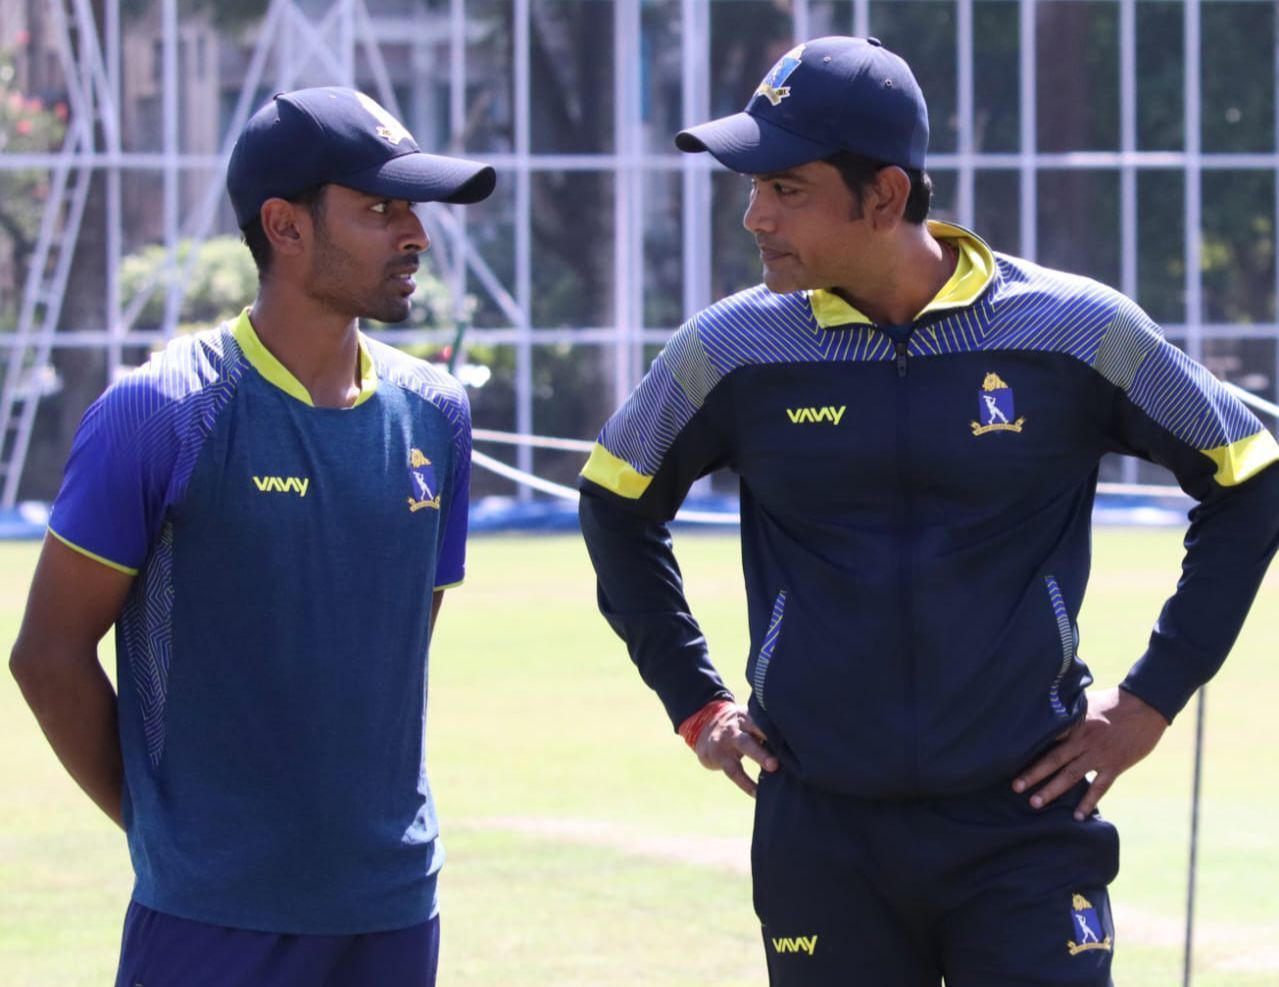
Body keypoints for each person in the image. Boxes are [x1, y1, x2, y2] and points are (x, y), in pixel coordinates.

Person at [577, 36, 1279, 987]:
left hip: (1026, 826)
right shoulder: (729, 349)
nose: (753, 217)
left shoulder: (1076, 329)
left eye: (786, 189)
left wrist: (1154, 694)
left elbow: (1249, 473)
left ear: (886, 197)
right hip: (820, 832)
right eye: (753, 189)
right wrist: (696, 702)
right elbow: (614, 500)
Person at [9, 86, 494, 987]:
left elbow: (390, 654)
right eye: (380, 208)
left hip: (391, 906)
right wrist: (172, 835)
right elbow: (47, 655)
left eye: (413, 209)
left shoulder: (437, 416)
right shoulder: (160, 414)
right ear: (285, 224)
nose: (415, 234)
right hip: (211, 919)